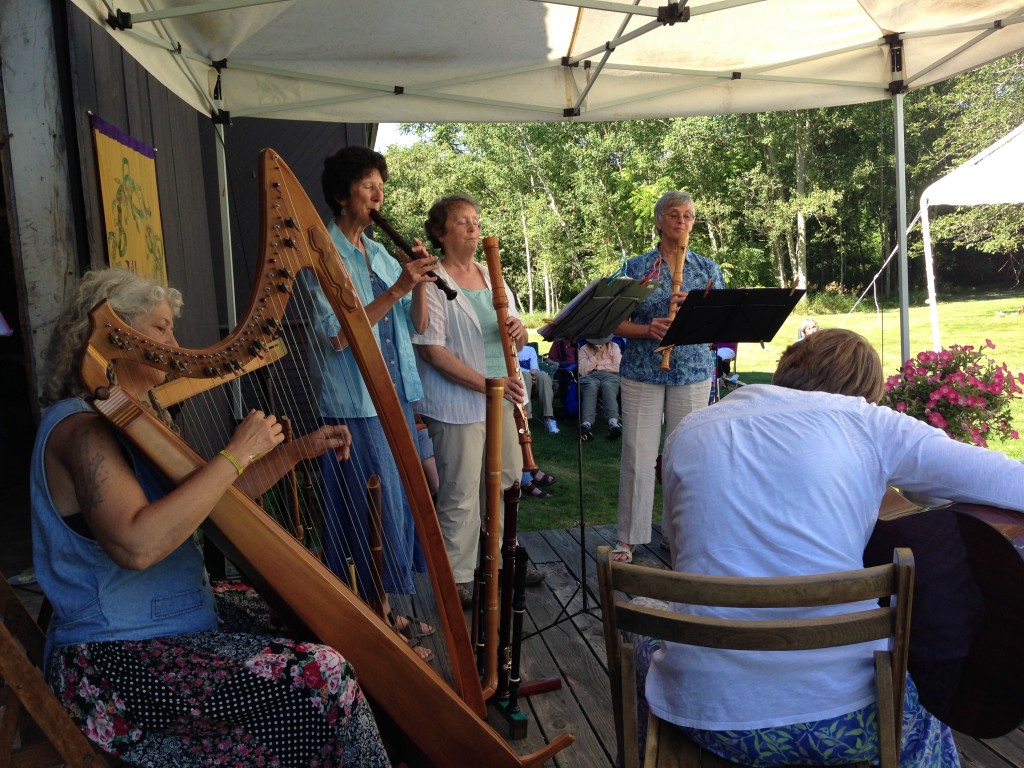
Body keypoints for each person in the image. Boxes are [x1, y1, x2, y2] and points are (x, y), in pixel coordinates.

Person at [31, 267, 389, 766]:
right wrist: (235, 452)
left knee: (320, 621)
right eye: (160, 329)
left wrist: (292, 453)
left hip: (168, 629)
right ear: (114, 338)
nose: (175, 343)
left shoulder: (134, 420)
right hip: (111, 664)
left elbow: (207, 504)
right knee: (322, 672)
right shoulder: (82, 431)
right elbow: (137, 545)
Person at [635, 328, 1024, 767]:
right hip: (846, 723)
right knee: (924, 701)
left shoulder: (690, 428)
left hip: (706, 715)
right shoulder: (865, 421)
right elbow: (1012, 483)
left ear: (787, 370)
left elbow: (679, 541)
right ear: (863, 391)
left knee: (649, 633)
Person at [300, 144, 438, 658]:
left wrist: (420, 280)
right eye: (367, 187)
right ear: (341, 195)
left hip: (396, 392)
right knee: (368, 505)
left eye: (382, 186)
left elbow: (417, 325)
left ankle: (387, 607)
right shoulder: (322, 255)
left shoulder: (378, 253)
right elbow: (337, 335)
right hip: (354, 401)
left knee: (396, 504)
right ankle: (374, 615)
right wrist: (400, 287)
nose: (379, 195)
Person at [412, 194, 545, 607]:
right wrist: (488, 383)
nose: (473, 228)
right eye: (462, 222)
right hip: (458, 402)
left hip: (502, 397)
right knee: (462, 491)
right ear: (441, 232)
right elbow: (431, 350)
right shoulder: (434, 280)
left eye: (475, 220)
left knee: (505, 481)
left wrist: (520, 332)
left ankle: (501, 561)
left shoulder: (491, 274)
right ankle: (458, 579)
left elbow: (509, 329)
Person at [611, 191, 725, 563]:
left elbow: (720, 323)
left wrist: (693, 313)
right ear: (659, 221)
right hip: (644, 370)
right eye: (674, 215)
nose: (682, 221)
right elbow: (612, 320)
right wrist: (648, 330)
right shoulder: (636, 266)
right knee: (638, 455)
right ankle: (629, 537)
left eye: (688, 215)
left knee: (684, 459)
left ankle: (679, 534)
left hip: (691, 371)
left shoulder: (706, 269)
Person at [577, 336, 622, 440]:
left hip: (611, 376)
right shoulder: (584, 349)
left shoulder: (614, 347)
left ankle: (613, 423)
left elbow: (618, 367)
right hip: (589, 377)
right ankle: (586, 425)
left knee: (608, 387)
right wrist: (595, 354)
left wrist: (597, 367)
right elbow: (583, 371)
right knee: (591, 387)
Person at [518, 342, 559, 433]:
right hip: (519, 385)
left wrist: (533, 377)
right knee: (525, 375)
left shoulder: (530, 350)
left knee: (543, 375)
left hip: (535, 383)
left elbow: (534, 369)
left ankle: (548, 417)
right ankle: (526, 418)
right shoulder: (508, 350)